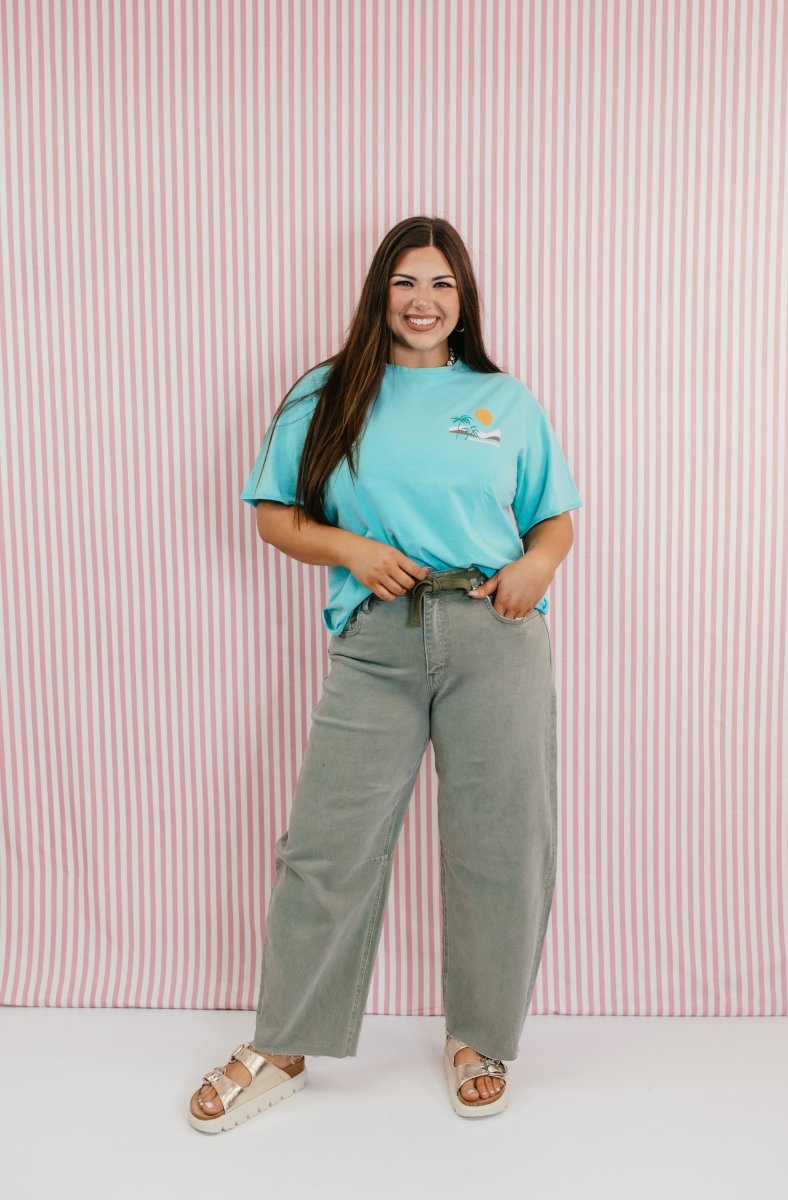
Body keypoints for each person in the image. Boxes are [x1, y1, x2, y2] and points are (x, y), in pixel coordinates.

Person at [188, 215, 582, 1132]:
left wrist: (537, 565)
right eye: (405, 282)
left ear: (463, 300)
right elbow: (276, 515)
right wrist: (353, 550)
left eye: (441, 283)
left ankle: (479, 1038)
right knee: (327, 845)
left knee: (501, 845)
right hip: (377, 639)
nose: (423, 300)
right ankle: (282, 1044)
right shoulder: (326, 392)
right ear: (380, 293)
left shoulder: (503, 400)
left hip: (495, 634)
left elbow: (553, 519)